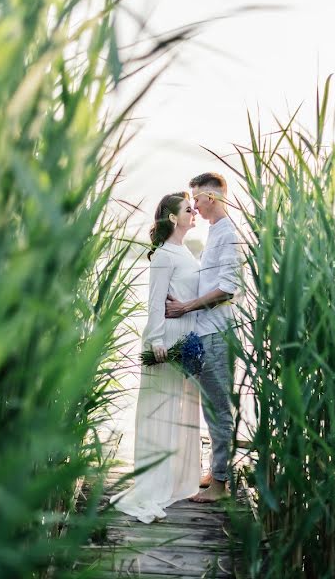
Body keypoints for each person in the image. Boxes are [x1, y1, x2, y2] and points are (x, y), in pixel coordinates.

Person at [111, 191, 202, 523]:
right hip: (169, 342)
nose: (195, 213)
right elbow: (154, 304)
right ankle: (154, 483)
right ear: (173, 218)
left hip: (187, 339)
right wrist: (157, 341)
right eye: (188, 210)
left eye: (194, 208)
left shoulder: (186, 252)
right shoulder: (164, 255)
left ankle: (178, 479)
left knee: (180, 411)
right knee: (162, 411)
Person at [165, 172, 239, 503]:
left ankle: (221, 486)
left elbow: (226, 288)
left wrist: (185, 307)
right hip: (205, 332)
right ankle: (216, 472)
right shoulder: (215, 233)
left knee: (220, 408)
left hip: (217, 333)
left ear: (211, 197)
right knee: (211, 407)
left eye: (196, 199)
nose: (194, 205)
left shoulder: (228, 235)